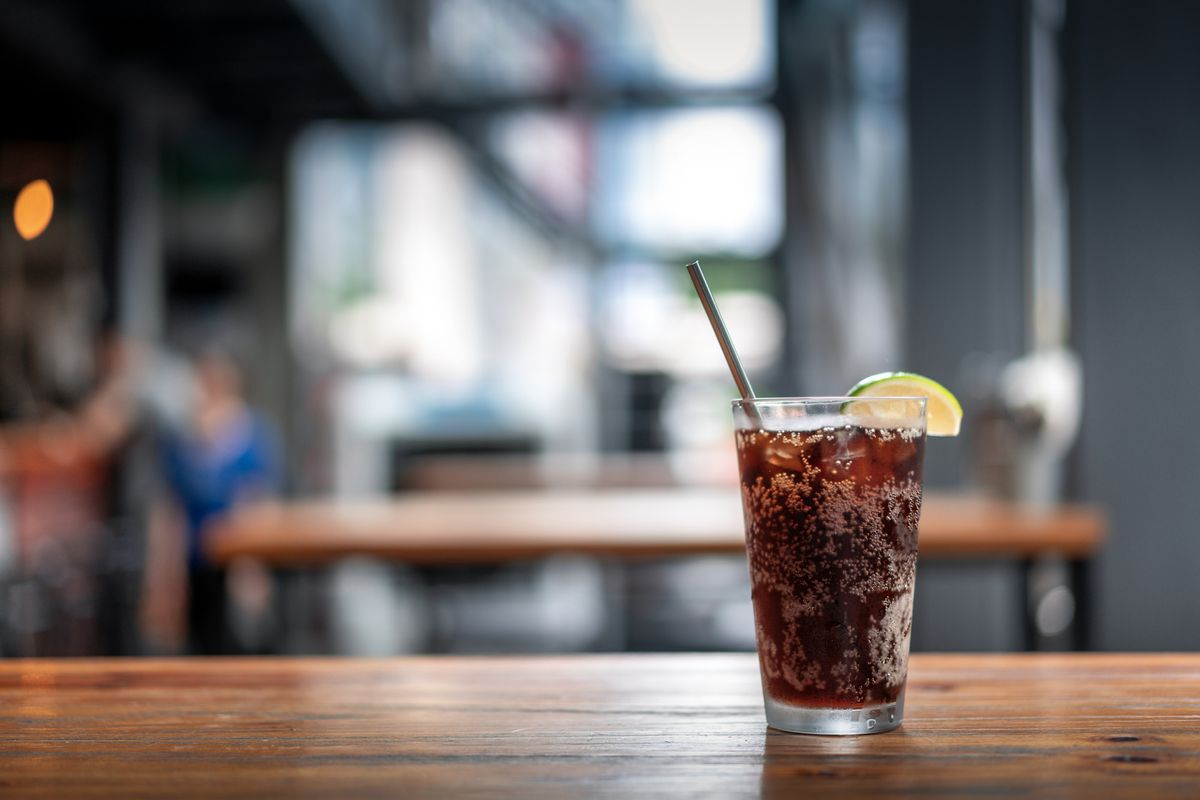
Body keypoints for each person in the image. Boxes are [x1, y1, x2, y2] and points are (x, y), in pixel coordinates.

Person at [159, 349, 278, 654]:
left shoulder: (252, 434)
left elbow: (257, 501)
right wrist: (164, 578)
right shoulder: (182, 439)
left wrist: (252, 567)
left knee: (240, 644)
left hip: (238, 560)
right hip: (195, 559)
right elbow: (171, 510)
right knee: (198, 645)